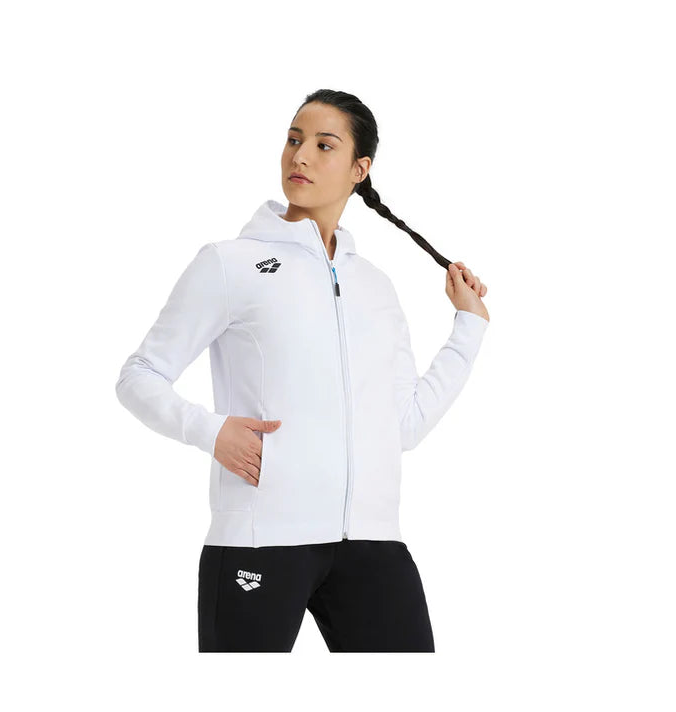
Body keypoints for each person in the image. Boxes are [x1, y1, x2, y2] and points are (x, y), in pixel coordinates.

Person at [115, 89, 490, 653]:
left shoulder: (376, 288)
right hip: (258, 541)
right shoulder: (230, 264)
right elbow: (139, 374)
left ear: (360, 169)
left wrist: (469, 327)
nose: (301, 156)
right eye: (294, 140)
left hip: (372, 543)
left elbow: (404, 426)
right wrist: (210, 431)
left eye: (324, 145)